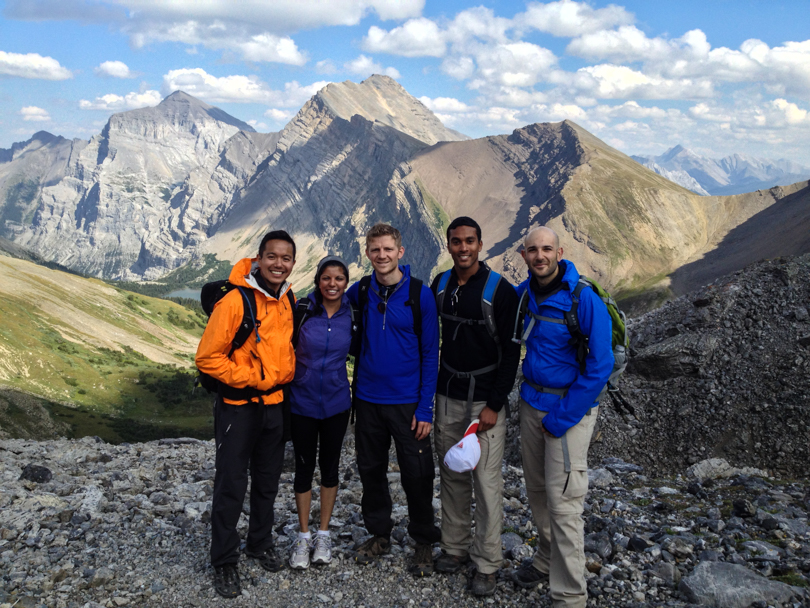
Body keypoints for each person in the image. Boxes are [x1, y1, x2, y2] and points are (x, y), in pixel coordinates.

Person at [512, 226, 613, 608]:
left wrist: (561, 417)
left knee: (565, 503)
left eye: (547, 249)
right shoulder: (525, 296)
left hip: (566, 411)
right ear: (523, 255)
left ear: (560, 251)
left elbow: (600, 366)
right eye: (533, 250)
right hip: (530, 406)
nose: (540, 256)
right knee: (537, 493)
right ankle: (545, 558)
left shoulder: (583, 299)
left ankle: (570, 596)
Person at [195, 230, 297, 599]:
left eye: (285, 259)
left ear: (292, 264)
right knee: (232, 484)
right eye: (272, 257)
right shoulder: (235, 301)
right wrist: (252, 378)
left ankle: (259, 541)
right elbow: (207, 358)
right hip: (239, 407)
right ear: (258, 258)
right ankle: (224, 560)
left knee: (268, 481)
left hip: (275, 406)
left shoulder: (288, 298)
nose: (278, 264)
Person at [429, 217, 521, 596]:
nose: (463, 248)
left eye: (469, 241)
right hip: (447, 394)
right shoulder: (441, 284)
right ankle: (454, 548)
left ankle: (486, 562)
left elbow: (512, 351)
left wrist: (495, 404)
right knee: (451, 473)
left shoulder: (501, 291)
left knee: (485, 481)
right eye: (456, 242)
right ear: (448, 245)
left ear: (481, 244)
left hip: (484, 400)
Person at [346, 223, 441, 577]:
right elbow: (334, 303)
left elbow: (431, 354)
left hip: (407, 403)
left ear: (401, 252)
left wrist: (424, 407)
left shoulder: (419, 295)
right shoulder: (363, 290)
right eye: (375, 250)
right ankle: (379, 534)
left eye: (388, 249)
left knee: (417, 474)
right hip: (368, 400)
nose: (382, 256)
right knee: (371, 470)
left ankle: (422, 541)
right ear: (368, 253)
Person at [287, 256, 354, 570]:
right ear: (318, 280)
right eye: (327, 278)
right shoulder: (302, 310)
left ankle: (323, 533)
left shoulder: (352, 313)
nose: (332, 284)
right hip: (301, 402)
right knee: (303, 468)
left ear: (346, 282)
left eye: (339, 279)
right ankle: (303, 535)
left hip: (337, 403)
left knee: (329, 468)